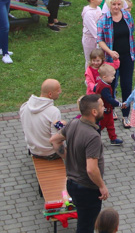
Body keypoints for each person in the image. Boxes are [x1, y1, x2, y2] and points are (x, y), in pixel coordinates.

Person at [49, 94, 108, 233]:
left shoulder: (74, 123)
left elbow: (54, 140)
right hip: (87, 189)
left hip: (72, 184)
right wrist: (102, 186)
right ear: (94, 112)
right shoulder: (93, 136)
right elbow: (91, 169)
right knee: (85, 227)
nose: (104, 108)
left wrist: (68, 157)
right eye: (102, 106)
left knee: (83, 220)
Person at [97, 0, 135, 127]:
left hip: (127, 56)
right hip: (110, 59)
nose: (116, 7)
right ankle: (110, 109)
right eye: (114, 4)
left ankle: (126, 115)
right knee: (111, 85)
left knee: (126, 85)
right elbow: (100, 40)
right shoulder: (103, 19)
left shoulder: (127, 16)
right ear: (109, 5)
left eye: (119, 4)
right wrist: (109, 51)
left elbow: (131, 32)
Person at [19, 79, 63, 158]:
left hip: (33, 150)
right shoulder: (54, 112)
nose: (60, 92)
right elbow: (55, 140)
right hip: (50, 153)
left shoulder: (25, 106)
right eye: (58, 90)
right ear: (50, 94)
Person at [92, 64, 123, 145]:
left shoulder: (100, 83)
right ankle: (95, 140)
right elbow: (109, 99)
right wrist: (119, 104)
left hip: (107, 110)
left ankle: (113, 138)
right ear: (104, 77)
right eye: (112, 76)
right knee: (100, 126)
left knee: (110, 125)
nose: (114, 77)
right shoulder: (105, 87)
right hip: (104, 111)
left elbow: (95, 89)